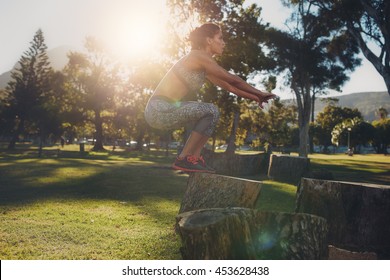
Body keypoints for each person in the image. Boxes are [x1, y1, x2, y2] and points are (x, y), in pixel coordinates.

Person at [144, 23, 276, 173]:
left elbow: (231, 87)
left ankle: (193, 158)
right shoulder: (197, 56)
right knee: (211, 110)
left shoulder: (204, 65)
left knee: (212, 114)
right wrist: (260, 93)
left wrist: (256, 98)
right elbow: (233, 79)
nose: (224, 43)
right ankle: (184, 158)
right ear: (208, 40)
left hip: (165, 109)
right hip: (158, 109)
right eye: (220, 38)